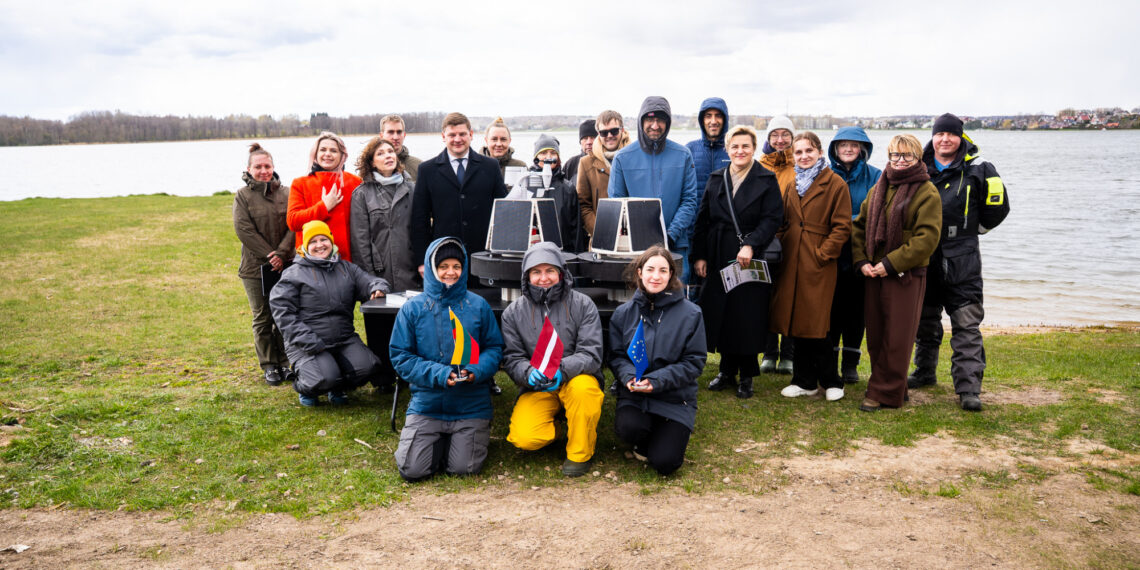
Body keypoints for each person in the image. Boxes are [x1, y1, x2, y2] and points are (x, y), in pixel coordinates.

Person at [908, 113, 1011, 412]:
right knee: (924, 322)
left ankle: (968, 389)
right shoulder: (918, 166)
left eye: (952, 134)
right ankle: (924, 372)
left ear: (960, 137)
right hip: (925, 257)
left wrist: (975, 231)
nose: (945, 139)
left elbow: (999, 208)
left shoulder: (980, 170)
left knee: (966, 326)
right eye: (940, 134)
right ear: (933, 136)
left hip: (963, 261)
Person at [389, 238, 504, 481]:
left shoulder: (478, 305)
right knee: (412, 470)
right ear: (431, 268)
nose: (450, 272)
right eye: (443, 266)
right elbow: (401, 356)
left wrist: (476, 371)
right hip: (428, 404)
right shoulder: (412, 309)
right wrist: (439, 374)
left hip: (471, 404)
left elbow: (494, 348)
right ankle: (436, 441)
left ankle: (456, 441)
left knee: (464, 468)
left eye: (456, 266)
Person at [691, 126, 783, 399]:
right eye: (735, 146)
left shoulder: (766, 179)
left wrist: (751, 244)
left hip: (751, 256)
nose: (740, 151)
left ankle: (747, 374)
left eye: (745, 146)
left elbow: (772, 218)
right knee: (723, 312)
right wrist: (700, 255)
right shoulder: (717, 178)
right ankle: (726, 369)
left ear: (753, 148)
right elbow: (703, 219)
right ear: (728, 149)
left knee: (748, 314)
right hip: (719, 251)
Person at [852, 134, 942, 412]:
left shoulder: (927, 192)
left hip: (906, 275)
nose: (900, 161)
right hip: (874, 274)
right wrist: (861, 261)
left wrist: (890, 264)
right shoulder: (879, 188)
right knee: (877, 335)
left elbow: (926, 239)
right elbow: (859, 226)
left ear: (917, 158)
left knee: (898, 337)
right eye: (895, 156)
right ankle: (896, 387)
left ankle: (882, 393)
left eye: (907, 156)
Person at [502, 242, 604, 477]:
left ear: (561, 272)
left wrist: (562, 370)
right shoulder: (512, 313)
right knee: (524, 437)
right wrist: (528, 373)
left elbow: (591, 353)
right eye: (536, 272)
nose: (543, 278)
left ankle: (580, 453)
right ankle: (563, 427)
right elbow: (513, 357)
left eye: (550, 271)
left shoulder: (583, 304)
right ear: (527, 276)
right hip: (537, 386)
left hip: (577, 378)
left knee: (583, 392)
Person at [269, 221, 389, 407]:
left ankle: (336, 387)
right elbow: (282, 312)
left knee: (369, 366)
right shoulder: (293, 274)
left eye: (323, 239)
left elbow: (370, 282)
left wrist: (378, 288)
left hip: (343, 339)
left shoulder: (346, 268)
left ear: (331, 242)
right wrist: (309, 341)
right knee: (322, 378)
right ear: (305, 246)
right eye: (313, 241)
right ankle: (306, 388)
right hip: (308, 343)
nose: (319, 245)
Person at [610, 245, 706, 476]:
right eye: (650, 269)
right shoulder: (623, 313)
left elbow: (694, 362)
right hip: (635, 395)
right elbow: (616, 356)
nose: (656, 276)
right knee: (628, 429)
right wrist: (629, 377)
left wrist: (657, 381)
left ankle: (663, 434)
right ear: (640, 272)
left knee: (666, 463)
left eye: (663, 270)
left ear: (671, 275)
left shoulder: (691, 314)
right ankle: (643, 435)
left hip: (674, 398)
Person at [769, 132, 852, 402]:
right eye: (799, 152)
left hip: (817, 261)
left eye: (809, 151)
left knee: (817, 325)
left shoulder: (835, 184)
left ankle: (832, 381)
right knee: (797, 323)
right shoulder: (791, 183)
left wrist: (822, 254)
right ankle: (804, 381)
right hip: (792, 258)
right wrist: (776, 250)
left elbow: (842, 227)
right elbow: (783, 222)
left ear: (819, 152)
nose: (804, 156)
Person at [609, 96, 700, 285]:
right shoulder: (622, 158)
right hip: (636, 251)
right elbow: (617, 204)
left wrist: (670, 234)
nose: (655, 125)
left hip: (676, 246)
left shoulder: (683, 155)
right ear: (641, 121)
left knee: (675, 302)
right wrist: (641, 237)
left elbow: (689, 200)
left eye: (661, 120)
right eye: (650, 119)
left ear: (668, 123)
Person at [410, 112, 508, 277]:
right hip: (443, 257)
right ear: (443, 136)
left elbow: (503, 212)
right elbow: (419, 220)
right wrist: (421, 260)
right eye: (452, 135)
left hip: (483, 257)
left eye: (462, 134)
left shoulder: (490, 167)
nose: (457, 139)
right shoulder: (427, 170)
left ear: (471, 135)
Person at [232, 143, 295, 386]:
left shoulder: (287, 193)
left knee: (284, 314)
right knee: (262, 316)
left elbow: (293, 225)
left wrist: (281, 253)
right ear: (249, 169)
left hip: (285, 265)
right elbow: (244, 230)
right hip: (254, 268)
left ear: (273, 167)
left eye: (267, 166)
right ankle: (269, 365)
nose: (263, 171)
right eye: (258, 167)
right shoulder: (242, 196)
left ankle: (286, 362)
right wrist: (271, 255)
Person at [826, 126, 883, 385]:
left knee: (856, 312)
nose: (848, 149)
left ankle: (850, 363)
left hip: (862, 253)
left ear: (862, 149)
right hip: (832, 255)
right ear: (835, 149)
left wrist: (845, 222)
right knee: (832, 310)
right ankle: (830, 363)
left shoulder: (876, 176)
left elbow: (877, 213)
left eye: (853, 144)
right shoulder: (825, 175)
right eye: (843, 144)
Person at [350, 137, 417, 292]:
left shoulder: (412, 189)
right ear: (372, 162)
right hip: (380, 275)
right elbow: (360, 244)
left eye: (390, 151)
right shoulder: (361, 194)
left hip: (411, 273)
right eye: (380, 153)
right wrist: (372, 282)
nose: (388, 155)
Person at [758, 115, 797, 374]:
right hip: (766, 239)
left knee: (791, 296)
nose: (780, 139)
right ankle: (769, 352)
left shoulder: (802, 162)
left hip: (793, 238)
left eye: (785, 134)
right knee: (766, 295)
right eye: (775, 135)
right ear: (769, 139)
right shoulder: (760, 165)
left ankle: (789, 354)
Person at [287, 131, 362, 261]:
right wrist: (324, 207)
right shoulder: (301, 183)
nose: (327, 154)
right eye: (323, 150)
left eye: (333, 150)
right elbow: (293, 222)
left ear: (342, 156)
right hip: (312, 261)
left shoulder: (355, 182)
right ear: (315, 154)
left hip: (348, 260)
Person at [506, 134, 586, 252]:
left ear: (558, 157)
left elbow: (576, 228)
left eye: (552, 153)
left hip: (562, 251)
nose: (548, 157)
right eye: (543, 153)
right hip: (531, 249)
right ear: (536, 157)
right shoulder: (524, 184)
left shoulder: (567, 188)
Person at [577, 109, 632, 238]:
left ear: (622, 130)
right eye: (603, 132)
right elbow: (583, 204)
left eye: (614, 131)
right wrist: (601, 231)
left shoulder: (636, 157)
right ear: (598, 134)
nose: (609, 136)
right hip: (601, 237)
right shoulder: (586, 163)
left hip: (634, 235)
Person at [685, 97, 730, 192]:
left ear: (725, 119)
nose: (713, 121)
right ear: (702, 120)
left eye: (718, 115)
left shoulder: (734, 150)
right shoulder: (690, 149)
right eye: (708, 116)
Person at [379, 114, 422, 182]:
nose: (395, 137)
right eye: (391, 132)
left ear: (404, 135)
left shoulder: (419, 166)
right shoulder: (370, 167)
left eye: (399, 132)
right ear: (381, 135)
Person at [562, 119, 596, 185]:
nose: (589, 142)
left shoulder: (606, 162)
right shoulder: (571, 164)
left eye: (592, 137)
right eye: (585, 138)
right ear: (580, 142)